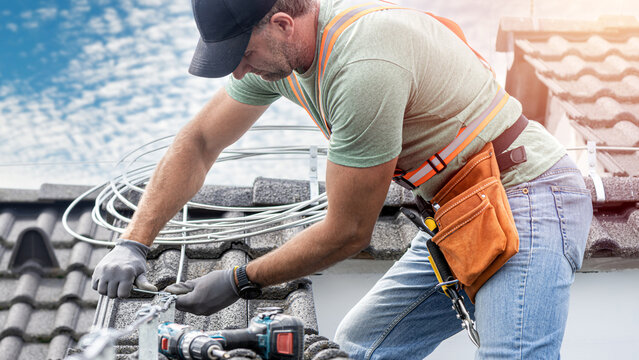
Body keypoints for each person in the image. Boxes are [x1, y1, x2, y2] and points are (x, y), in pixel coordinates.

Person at [91, 0, 593, 358]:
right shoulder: (279, 61)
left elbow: (348, 230)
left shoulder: (361, 64)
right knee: (358, 349)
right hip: (458, 215)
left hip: (527, 194)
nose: (240, 69)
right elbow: (199, 142)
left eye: (242, 55)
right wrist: (134, 242)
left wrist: (239, 279)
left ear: (282, 24)